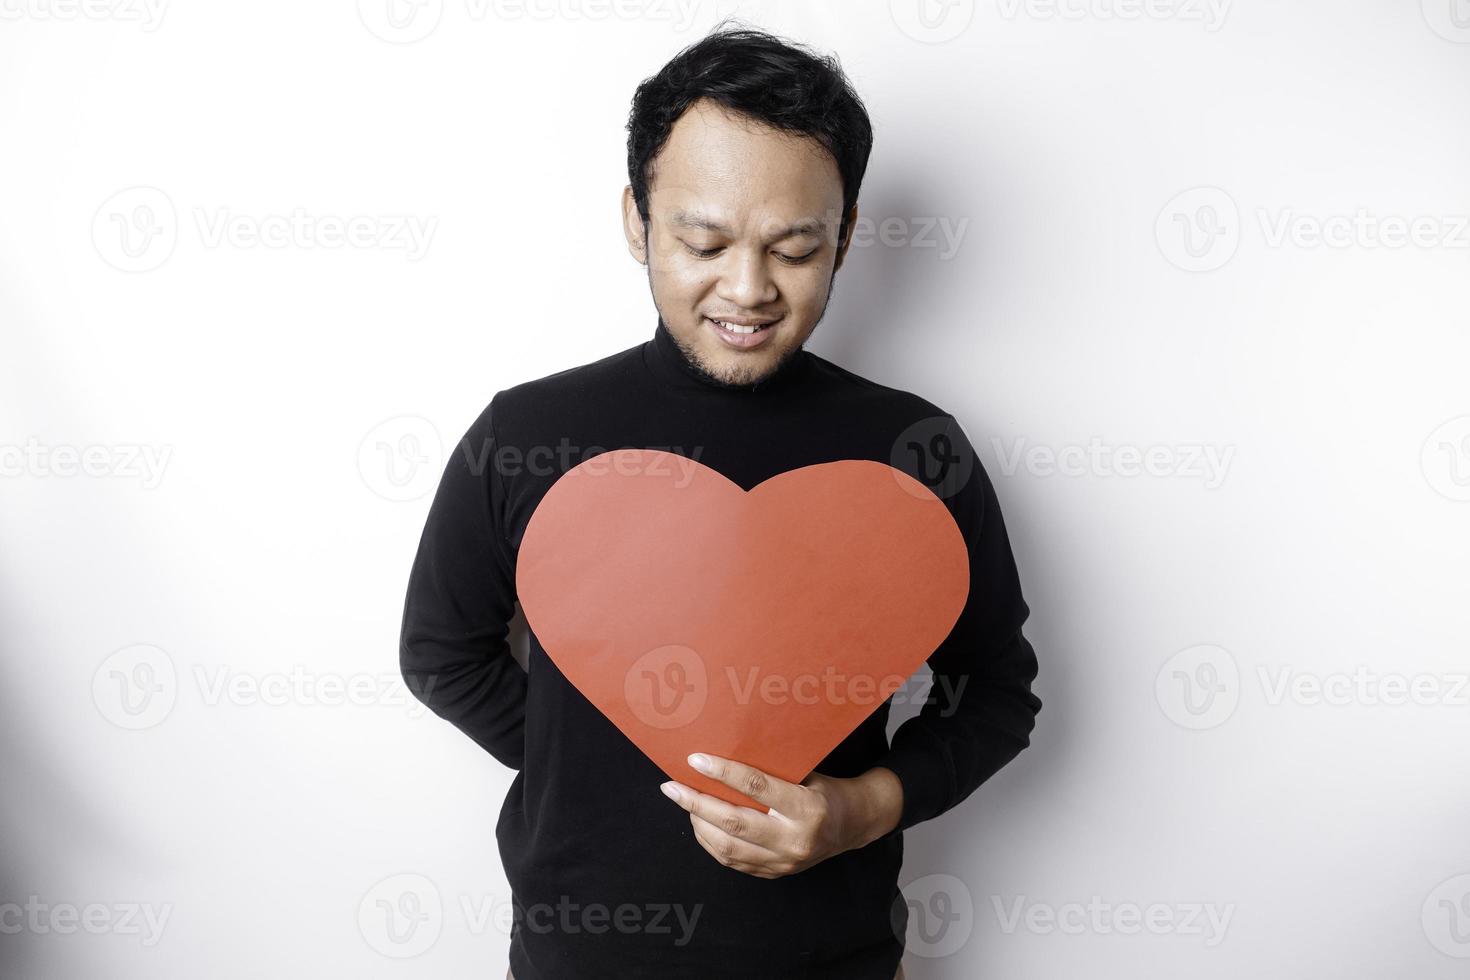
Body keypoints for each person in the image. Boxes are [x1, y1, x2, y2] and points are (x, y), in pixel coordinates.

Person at [400, 23, 1042, 980]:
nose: (748, 290)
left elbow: (996, 693)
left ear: (848, 235)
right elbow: (440, 654)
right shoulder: (525, 435)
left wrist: (856, 809)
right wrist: (589, 751)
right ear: (637, 219)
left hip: (837, 959)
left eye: (794, 248)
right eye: (704, 241)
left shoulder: (917, 449)